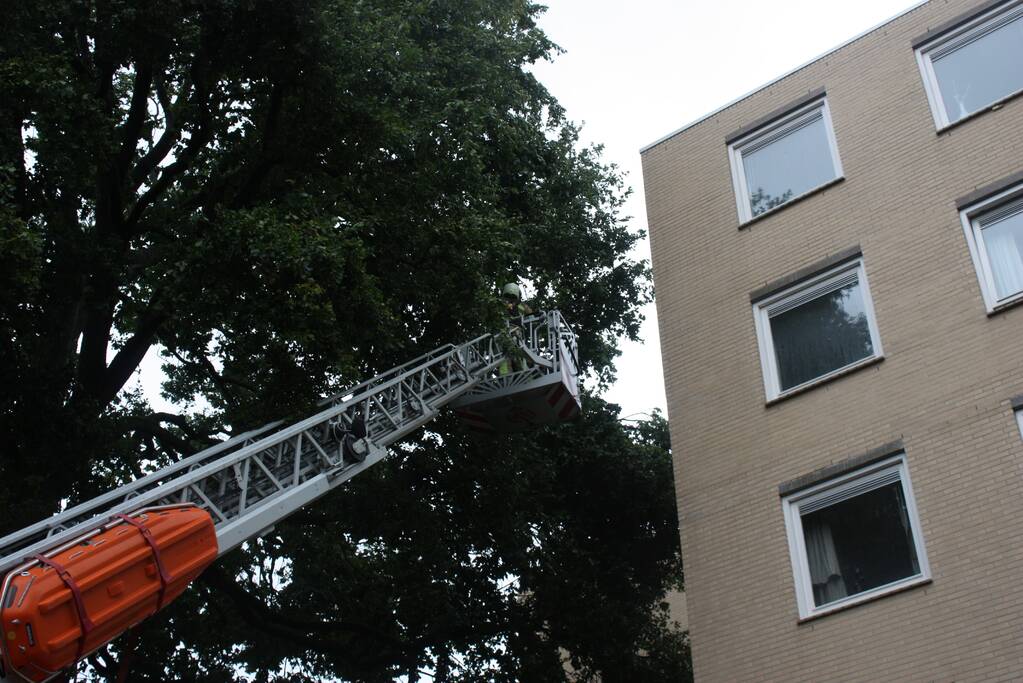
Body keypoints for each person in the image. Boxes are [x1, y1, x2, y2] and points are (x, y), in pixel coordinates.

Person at [498, 282, 532, 375]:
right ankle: (505, 376)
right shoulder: (500, 305)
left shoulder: (523, 306)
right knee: (505, 355)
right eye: (508, 296)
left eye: (513, 297)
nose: (510, 299)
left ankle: (521, 372)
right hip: (504, 332)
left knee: (516, 352)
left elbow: (531, 316)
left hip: (516, 331)